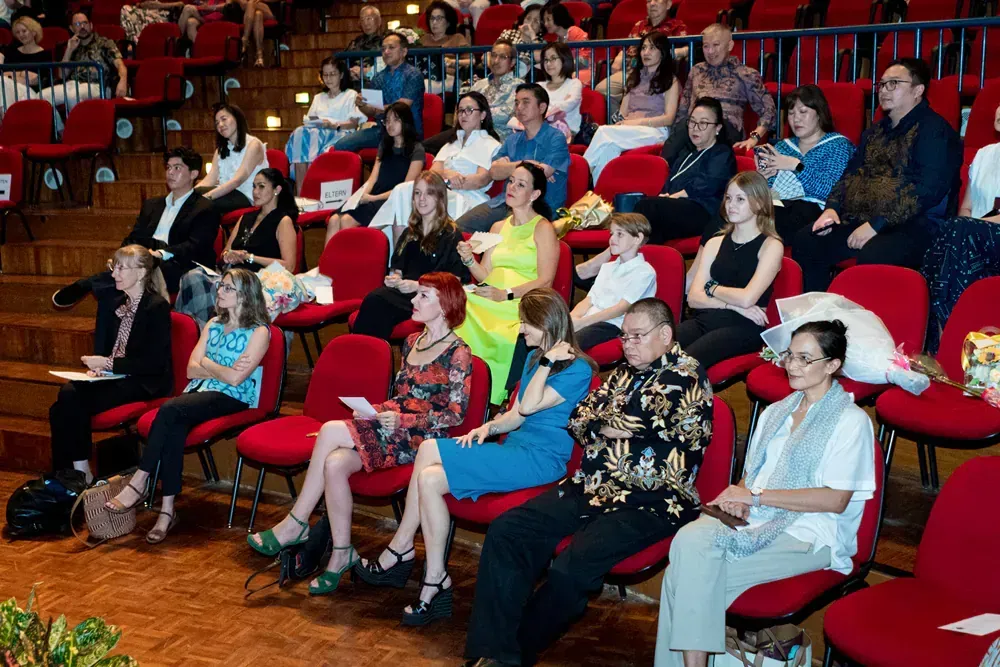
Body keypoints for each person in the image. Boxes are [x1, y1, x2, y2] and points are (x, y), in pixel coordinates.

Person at [463, 298, 714, 667]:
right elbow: (580, 417)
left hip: (652, 500)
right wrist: (605, 424)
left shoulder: (688, 374)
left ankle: (513, 653)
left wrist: (609, 424)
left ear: (665, 334)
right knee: (509, 529)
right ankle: (491, 650)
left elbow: (651, 422)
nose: (627, 344)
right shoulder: (623, 373)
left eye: (637, 336)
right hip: (593, 484)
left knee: (569, 568)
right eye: (624, 337)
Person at [355, 288, 595, 626]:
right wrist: (488, 427)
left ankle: (405, 551)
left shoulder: (578, 369)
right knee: (427, 467)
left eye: (527, 324)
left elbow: (529, 405)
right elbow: (516, 415)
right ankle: (434, 576)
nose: (522, 331)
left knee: (428, 466)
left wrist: (547, 362)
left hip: (541, 459)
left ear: (547, 323)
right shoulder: (533, 358)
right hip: (516, 446)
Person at [655, 320, 875, 667]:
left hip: (812, 532)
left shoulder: (851, 421)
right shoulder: (776, 412)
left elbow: (835, 500)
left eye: (805, 358)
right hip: (759, 517)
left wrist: (755, 497)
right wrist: (738, 498)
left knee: (685, 577)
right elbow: (752, 478)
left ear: (832, 366)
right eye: (789, 355)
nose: (792, 365)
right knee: (689, 543)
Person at [247, 273, 473, 596]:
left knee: (328, 430)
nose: (413, 301)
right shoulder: (411, 342)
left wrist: (404, 421)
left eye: (423, 296)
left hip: (422, 441)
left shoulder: (458, 353)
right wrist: (375, 409)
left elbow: (454, 415)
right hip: (392, 430)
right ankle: (340, 554)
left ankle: (296, 522)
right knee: (335, 463)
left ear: (445, 305)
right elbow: (400, 398)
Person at [105, 268, 273, 544]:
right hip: (199, 392)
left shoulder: (260, 332)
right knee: (174, 425)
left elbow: (235, 379)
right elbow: (191, 370)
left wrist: (207, 363)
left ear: (245, 295)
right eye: (221, 286)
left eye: (228, 288)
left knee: (169, 410)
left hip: (235, 397)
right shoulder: (212, 324)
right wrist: (216, 367)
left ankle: (140, 480)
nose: (219, 291)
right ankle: (167, 511)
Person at [793, 58, 962, 292]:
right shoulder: (875, 132)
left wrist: (877, 225)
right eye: (882, 84)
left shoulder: (936, 132)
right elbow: (850, 175)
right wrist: (832, 207)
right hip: (864, 218)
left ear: (918, 90)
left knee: (875, 253)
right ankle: (818, 316)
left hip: (914, 226)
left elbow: (926, 191)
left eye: (894, 83)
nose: (884, 90)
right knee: (807, 240)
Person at [48, 245, 172, 484]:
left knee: (69, 396)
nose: (114, 274)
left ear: (141, 273)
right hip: (116, 376)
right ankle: (68, 476)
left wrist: (108, 364)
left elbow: (154, 363)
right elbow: (109, 349)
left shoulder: (156, 307)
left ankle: (78, 474)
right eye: (114, 267)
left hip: (144, 381)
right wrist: (100, 368)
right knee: (61, 407)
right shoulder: (115, 303)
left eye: (121, 268)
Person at [51, 147, 219, 311]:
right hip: (145, 259)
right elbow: (134, 238)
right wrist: (120, 257)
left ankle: (87, 284)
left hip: (181, 264)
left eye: (177, 168)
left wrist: (160, 255)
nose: (170, 172)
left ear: (194, 174)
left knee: (126, 276)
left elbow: (195, 246)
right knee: (118, 284)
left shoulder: (204, 207)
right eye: (168, 167)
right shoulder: (152, 205)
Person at [456, 162, 560, 404]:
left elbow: (546, 280)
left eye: (521, 184)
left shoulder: (543, 228)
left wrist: (507, 294)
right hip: (493, 293)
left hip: (521, 298)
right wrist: (469, 259)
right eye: (511, 181)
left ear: (534, 195)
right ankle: (459, 386)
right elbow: (485, 274)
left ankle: (490, 393)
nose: (511, 187)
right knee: (457, 302)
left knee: (495, 323)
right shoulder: (497, 227)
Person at [678, 172, 783, 370]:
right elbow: (693, 298)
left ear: (759, 203)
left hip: (743, 327)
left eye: (740, 199)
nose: (731, 204)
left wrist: (712, 287)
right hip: (705, 319)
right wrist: (733, 305)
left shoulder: (771, 245)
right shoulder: (715, 242)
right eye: (728, 198)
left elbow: (747, 299)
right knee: (656, 349)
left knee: (684, 365)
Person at [921, 102, 1000, 352]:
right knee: (955, 231)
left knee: (956, 231)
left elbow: (966, 221)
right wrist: (967, 225)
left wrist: (969, 225)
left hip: (982, 237)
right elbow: (966, 206)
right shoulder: (985, 154)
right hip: (968, 239)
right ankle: (945, 335)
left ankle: (942, 338)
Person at [353, 173, 470, 339]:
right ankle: (365, 353)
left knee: (377, 301)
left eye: (428, 193)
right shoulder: (410, 232)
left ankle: (366, 354)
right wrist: (394, 278)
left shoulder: (451, 235)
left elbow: (455, 280)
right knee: (376, 303)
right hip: (406, 294)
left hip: (433, 298)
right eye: (417, 193)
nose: (422, 198)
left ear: (439, 198)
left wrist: (417, 286)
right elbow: (397, 268)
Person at [175, 168, 297, 326]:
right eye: (253, 186)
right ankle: (200, 333)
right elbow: (225, 252)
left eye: (261, 186)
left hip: (255, 283)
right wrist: (229, 255)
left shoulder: (283, 221)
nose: (255, 192)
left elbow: (289, 265)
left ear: (277, 190)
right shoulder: (246, 217)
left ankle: (204, 334)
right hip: (230, 276)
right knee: (191, 276)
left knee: (196, 281)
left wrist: (249, 257)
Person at [370, 91, 501, 236]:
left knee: (405, 192)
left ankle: (373, 234)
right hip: (439, 191)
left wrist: (449, 181)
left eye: (469, 110)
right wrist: (448, 174)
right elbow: (432, 172)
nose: (463, 115)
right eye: (460, 110)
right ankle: (394, 250)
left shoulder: (491, 144)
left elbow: (480, 180)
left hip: (467, 198)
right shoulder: (452, 143)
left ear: (483, 115)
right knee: (403, 194)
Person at [744, 84, 854, 242]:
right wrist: (763, 178)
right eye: (791, 113)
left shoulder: (838, 146)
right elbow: (770, 190)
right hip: (777, 205)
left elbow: (831, 190)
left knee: (763, 223)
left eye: (803, 112)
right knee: (733, 212)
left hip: (815, 209)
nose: (796, 119)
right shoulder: (782, 146)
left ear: (819, 114)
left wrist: (797, 166)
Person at [456, 83, 570, 234]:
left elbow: (542, 173)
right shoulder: (512, 139)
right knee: (456, 229)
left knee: (504, 235)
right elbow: (494, 172)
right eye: (516, 102)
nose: (519, 107)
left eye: (525, 102)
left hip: (537, 205)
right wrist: (527, 165)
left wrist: (511, 169)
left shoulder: (556, 138)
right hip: (505, 202)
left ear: (542, 108)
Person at [633, 96, 736, 244]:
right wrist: (664, 195)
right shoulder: (686, 154)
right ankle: (650, 261)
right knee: (643, 215)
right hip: (678, 209)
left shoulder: (722, 153)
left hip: (705, 212)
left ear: (717, 128)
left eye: (703, 123)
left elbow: (707, 185)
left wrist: (672, 197)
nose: (695, 128)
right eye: (692, 122)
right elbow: (670, 182)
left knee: (648, 208)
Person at [583, 32, 679, 183]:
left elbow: (669, 118)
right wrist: (620, 124)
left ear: (663, 52)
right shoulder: (634, 78)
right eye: (644, 48)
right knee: (609, 148)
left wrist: (633, 123)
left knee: (603, 131)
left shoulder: (671, 81)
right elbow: (622, 113)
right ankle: (600, 197)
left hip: (656, 131)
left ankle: (581, 171)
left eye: (652, 48)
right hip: (630, 129)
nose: (646, 53)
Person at [668, 24, 776, 156]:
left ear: (730, 45)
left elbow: (769, 111)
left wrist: (754, 138)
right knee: (684, 130)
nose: (710, 51)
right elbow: (683, 110)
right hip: (692, 128)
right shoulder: (696, 71)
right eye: (706, 46)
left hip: (725, 129)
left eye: (716, 45)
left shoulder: (745, 74)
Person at [325, 101, 425, 244]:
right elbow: (372, 178)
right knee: (334, 220)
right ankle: (327, 265)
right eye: (387, 120)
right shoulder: (385, 145)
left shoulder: (417, 149)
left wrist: (372, 198)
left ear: (406, 121)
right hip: (374, 195)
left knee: (346, 221)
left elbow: (405, 188)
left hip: (392, 199)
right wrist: (359, 196)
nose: (390, 124)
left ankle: (348, 263)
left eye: (395, 120)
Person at [570, 213, 657, 350]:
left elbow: (620, 309)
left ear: (637, 238)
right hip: (590, 319)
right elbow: (589, 300)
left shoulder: (644, 272)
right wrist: (571, 319)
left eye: (620, 234)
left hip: (613, 324)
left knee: (571, 345)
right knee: (550, 334)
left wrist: (582, 322)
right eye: (611, 233)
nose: (612, 239)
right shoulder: (607, 267)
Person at [423, 38, 522, 154]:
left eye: (502, 57)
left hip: (496, 140)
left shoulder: (519, 88)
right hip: (466, 134)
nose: (496, 61)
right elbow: (459, 111)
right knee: (421, 149)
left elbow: (509, 118)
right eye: (493, 55)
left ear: (513, 62)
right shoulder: (479, 85)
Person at [284, 57, 367, 192]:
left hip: (340, 132)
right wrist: (319, 123)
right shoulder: (319, 97)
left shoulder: (350, 95)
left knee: (306, 137)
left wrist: (333, 125)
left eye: (332, 74)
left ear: (341, 75)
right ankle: (301, 193)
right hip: (317, 133)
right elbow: (310, 119)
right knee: (300, 132)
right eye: (325, 74)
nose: (328, 78)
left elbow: (353, 123)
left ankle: (311, 190)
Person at [333, 32, 425, 152]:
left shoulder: (413, 74)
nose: (386, 52)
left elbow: (401, 107)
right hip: (382, 130)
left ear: (404, 52)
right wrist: (362, 105)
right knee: (341, 145)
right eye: (383, 49)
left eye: (391, 48)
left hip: (407, 131)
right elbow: (372, 111)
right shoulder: (378, 77)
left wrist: (377, 109)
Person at [594, 0, 687, 115]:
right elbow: (627, 47)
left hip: (659, 74)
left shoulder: (677, 26)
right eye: (648, 1)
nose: (652, 4)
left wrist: (675, 52)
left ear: (668, 4)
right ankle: (622, 120)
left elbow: (689, 48)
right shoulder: (639, 25)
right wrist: (620, 56)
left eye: (657, 0)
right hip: (632, 72)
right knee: (602, 89)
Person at [37, 12, 128, 112]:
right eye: (77, 24)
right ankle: (60, 127)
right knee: (41, 97)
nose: (82, 26)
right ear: (71, 29)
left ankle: (81, 126)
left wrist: (123, 80)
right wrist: (69, 50)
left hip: (99, 85)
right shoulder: (72, 46)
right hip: (72, 84)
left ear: (91, 25)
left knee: (72, 95)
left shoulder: (104, 43)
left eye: (85, 23)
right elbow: (62, 75)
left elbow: (120, 65)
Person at [194, 103, 269, 216]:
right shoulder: (220, 150)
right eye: (217, 123)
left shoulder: (254, 145)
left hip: (248, 196)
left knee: (203, 205)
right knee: (193, 196)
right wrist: (188, 195)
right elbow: (210, 179)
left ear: (237, 118)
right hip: (227, 193)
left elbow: (237, 181)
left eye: (224, 119)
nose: (220, 125)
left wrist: (208, 197)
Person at [507, 42, 583, 143]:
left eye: (553, 58)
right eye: (546, 60)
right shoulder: (539, 86)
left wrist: (541, 108)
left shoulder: (574, 83)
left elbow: (568, 105)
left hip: (567, 132)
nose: (548, 63)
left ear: (565, 59)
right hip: (537, 130)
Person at [419, 1, 471, 94]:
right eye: (432, 18)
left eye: (439, 18)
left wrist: (452, 62)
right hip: (426, 76)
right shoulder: (423, 39)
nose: (434, 22)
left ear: (448, 22)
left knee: (423, 86)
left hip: (448, 77)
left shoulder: (457, 38)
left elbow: (471, 60)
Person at [0, 17, 48, 111]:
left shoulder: (44, 55)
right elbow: (4, 74)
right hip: (10, 89)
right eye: (17, 32)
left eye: (24, 31)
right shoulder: (12, 52)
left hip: (31, 92)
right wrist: (23, 74)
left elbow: (34, 80)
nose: (21, 35)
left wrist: (12, 75)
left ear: (34, 32)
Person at [541, 1, 590, 83]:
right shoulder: (556, 40)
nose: (545, 24)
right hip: (566, 73)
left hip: (583, 71)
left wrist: (560, 65)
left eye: (548, 19)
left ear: (558, 17)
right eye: (544, 21)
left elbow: (584, 62)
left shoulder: (575, 32)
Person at [497, 5, 543, 79]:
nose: (530, 24)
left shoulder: (540, 42)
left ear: (541, 28)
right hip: (501, 75)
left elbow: (538, 58)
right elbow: (494, 54)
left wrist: (532, 36)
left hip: (526, 80)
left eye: (536, 21)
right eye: (528, 18)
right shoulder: (508, 33)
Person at [341, 4, 385, 82]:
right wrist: (350, 72)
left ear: (379, 21)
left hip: (376, 83)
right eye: (362, 20)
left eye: (369, 19)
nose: (366, 23)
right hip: (354, 83)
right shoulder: (356, 41)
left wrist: (365, 71)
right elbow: (343, 61)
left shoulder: (386, 41)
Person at [119, 0, 184, 45]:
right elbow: (142, 4)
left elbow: (181, 4)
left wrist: (166, 6)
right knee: (125, 9)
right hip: (147, 11)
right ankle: (132, 42)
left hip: (165, 15)